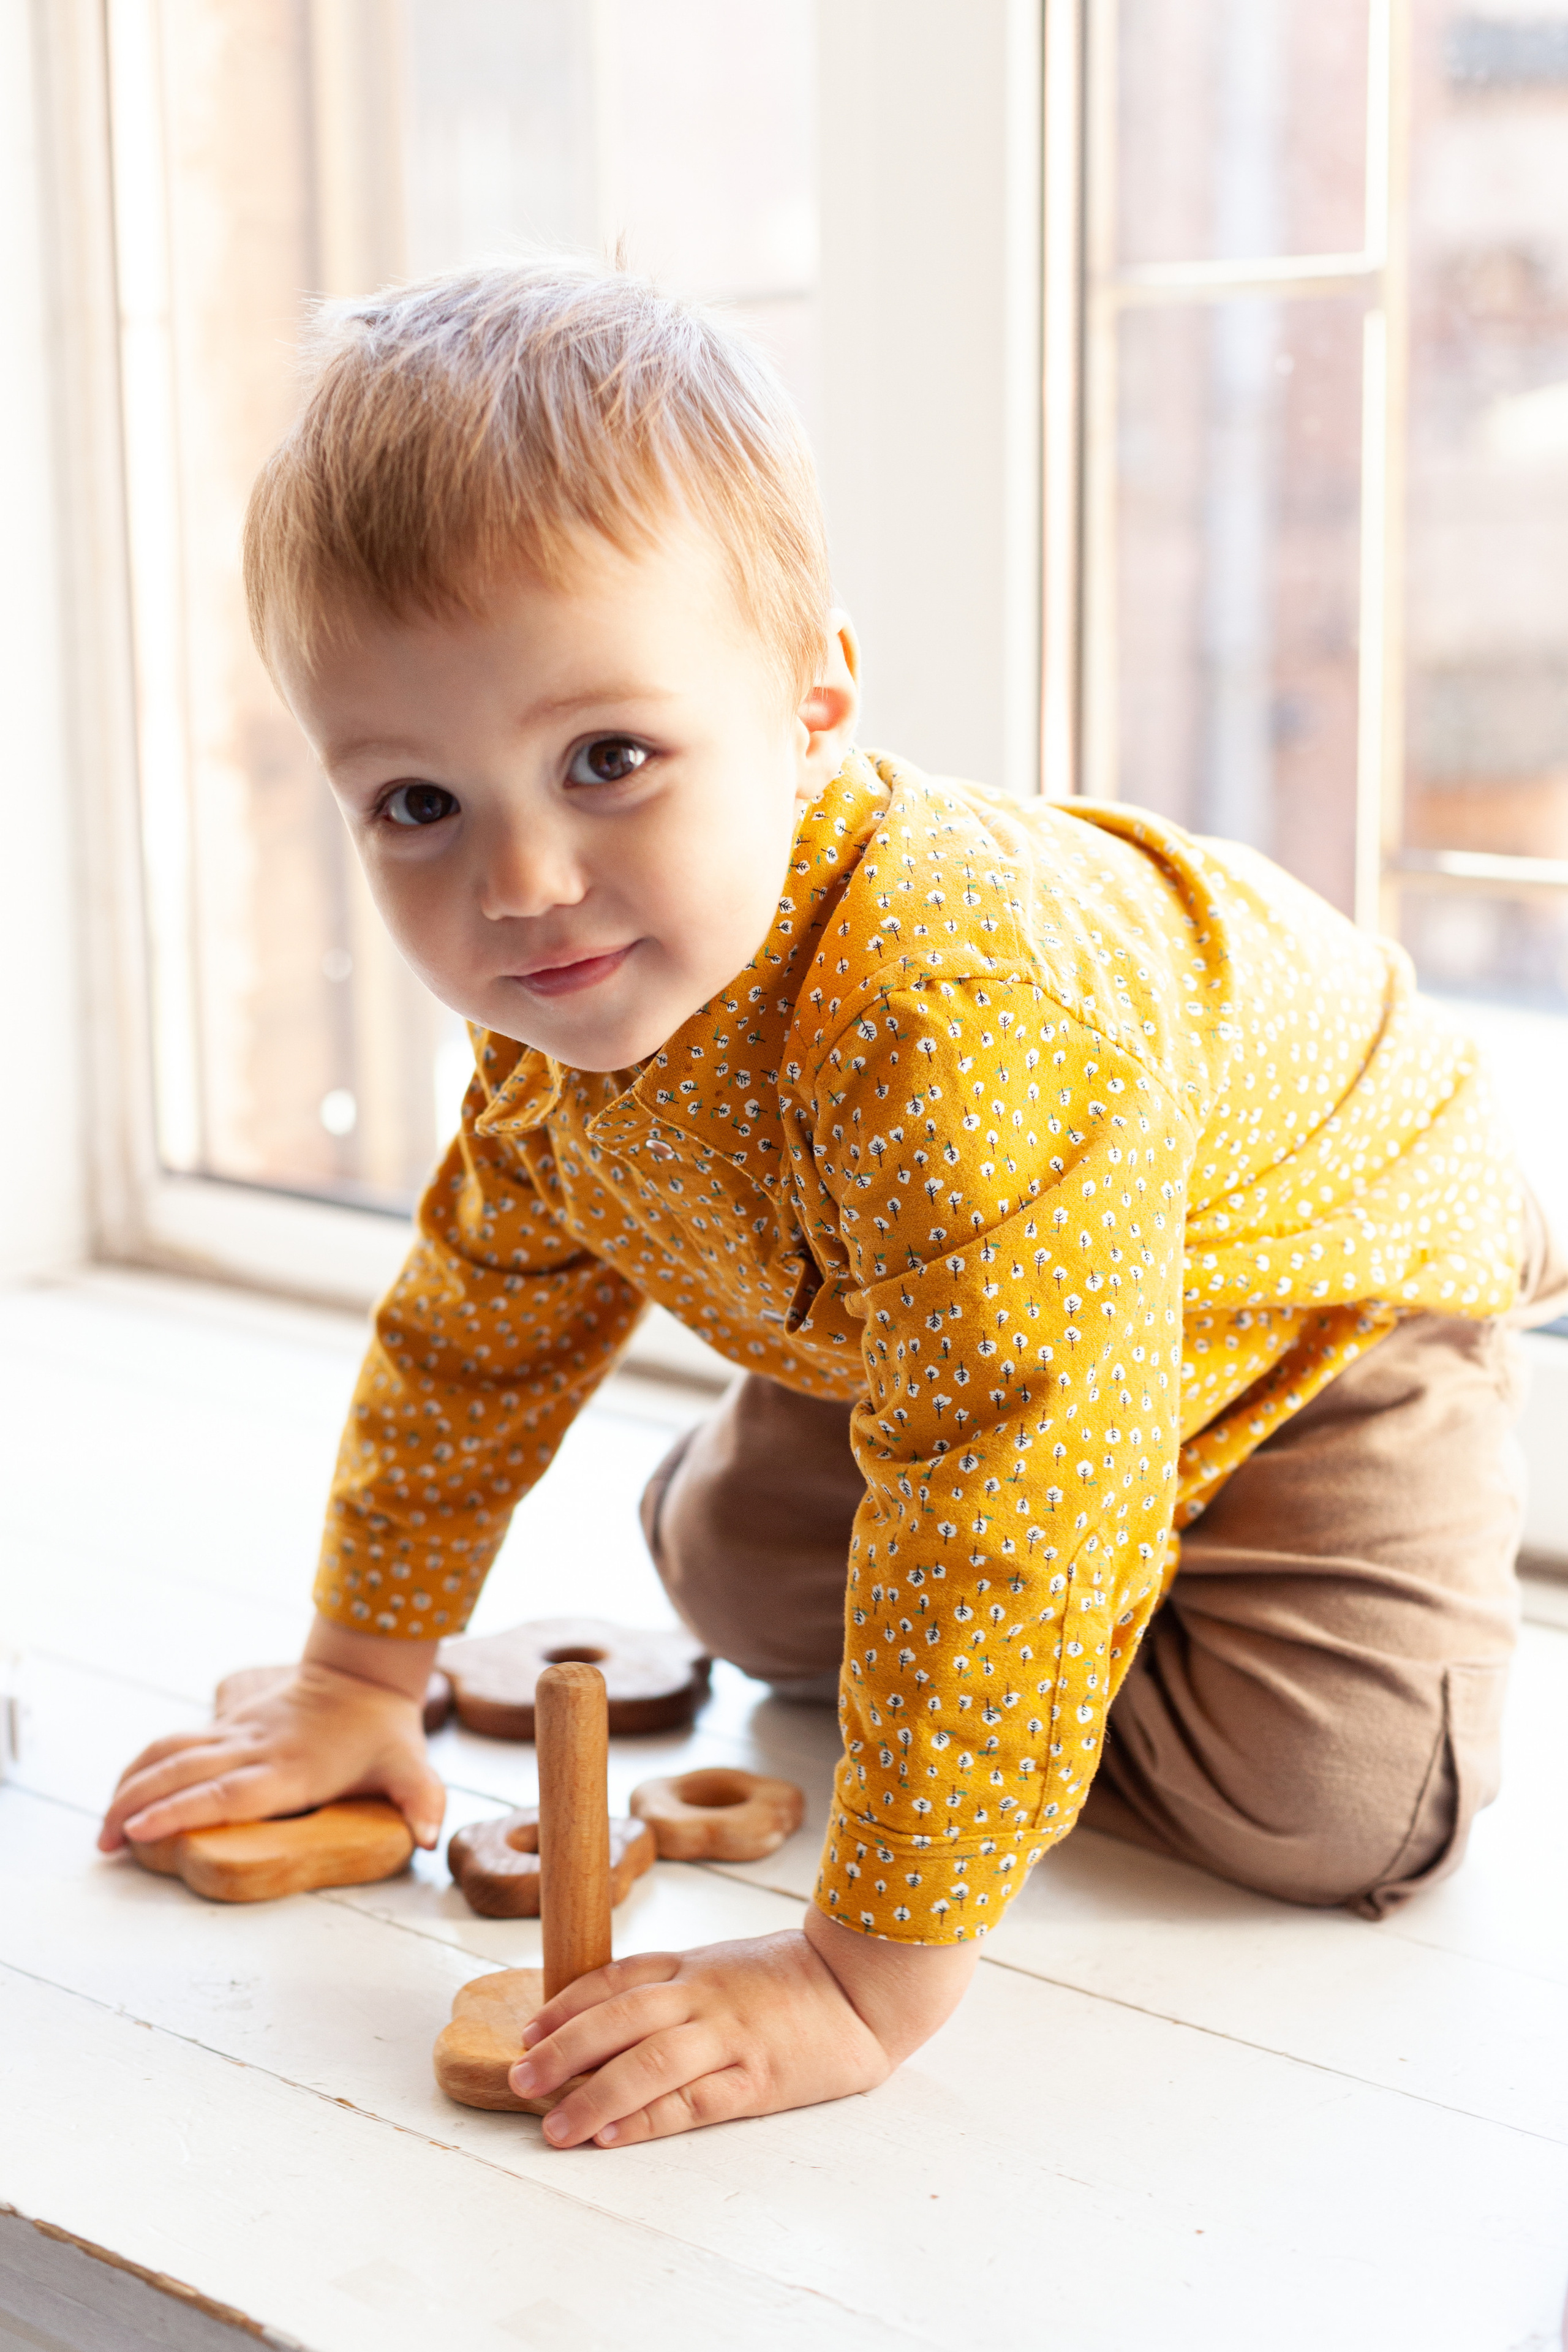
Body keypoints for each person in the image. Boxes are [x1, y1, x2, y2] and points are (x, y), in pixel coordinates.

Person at [100, 261, 1563, 2151]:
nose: (526, 881)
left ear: (814, 714)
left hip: (1311, 1311)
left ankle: (1104, 1605)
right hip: (968, 1327)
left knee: (1330, 1804)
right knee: (733, 1583)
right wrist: (353, 1677)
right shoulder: (562, 1028)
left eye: (606, 761)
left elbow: (1008, 1462)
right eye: (416, 805)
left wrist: (866, 1970)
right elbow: (473, 1336)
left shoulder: (960, 1012)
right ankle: (1043, 1629)